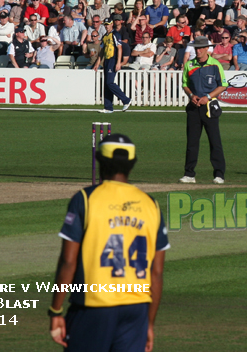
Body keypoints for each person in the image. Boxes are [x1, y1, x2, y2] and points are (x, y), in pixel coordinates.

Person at [49, 133, 167, 352]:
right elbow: (156, 272)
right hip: (136, 309)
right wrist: (148, 324)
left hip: (94, 306)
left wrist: (55, 310)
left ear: (98, 160)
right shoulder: (152, 204)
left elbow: (68, 261)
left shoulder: (85, 198)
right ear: (133, 163)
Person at [179, 36, 227, 185]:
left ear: (207, 49)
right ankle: (189, 174)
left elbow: (223, 85)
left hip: (209, 108)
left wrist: (208, 97)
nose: (198, 51)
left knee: (215, 141)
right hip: (194, 107)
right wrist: (191, 95)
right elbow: (185, 84)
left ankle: (219, 174)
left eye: (200, 48)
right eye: (196, 48)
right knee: (192, 143)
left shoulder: (215, 64)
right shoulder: (189, 65)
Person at [99, 14, 132, 113]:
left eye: (108, 24)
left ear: (112, 24)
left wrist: (118, 63)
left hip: (113, 60)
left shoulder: (115, 34)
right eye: (105, 24)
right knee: (106, 84)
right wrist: (98, 63)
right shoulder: (105, 36)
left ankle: (126, 100)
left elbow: (119, 48)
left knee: (110, 82)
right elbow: (102, 51)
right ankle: (108, 107)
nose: (106, 26)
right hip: (107, 60)